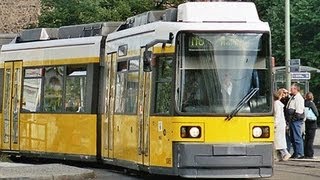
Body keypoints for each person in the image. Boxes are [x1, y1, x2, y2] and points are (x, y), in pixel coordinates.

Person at [286, 83, 305, 159]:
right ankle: (296, 152)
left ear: (296, 89)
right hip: (292, 120)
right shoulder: (293, 97)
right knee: (293, 137)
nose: (290, 90)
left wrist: (294, 118)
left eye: (292, 88)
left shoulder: (298, 98)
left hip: (295, 120)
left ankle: (300, 153)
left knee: (297, 136)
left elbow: (299, 111)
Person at [274, 89, 291, 161]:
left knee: (278, 140)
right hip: (281, 124)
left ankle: (285, 153)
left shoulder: (276, 104)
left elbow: (277, 115)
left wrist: (275, 124)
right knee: (278, 140)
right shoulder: (278, 103)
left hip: (278, 125)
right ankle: (278, 156)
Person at [304, 92, 319, 159]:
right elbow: (316, 113)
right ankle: (310, 154)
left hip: (307, 122)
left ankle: (306, 152)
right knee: (311, 139)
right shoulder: (311, 103)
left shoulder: (305, 103)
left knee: (307, 138)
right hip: (312, 123)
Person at [280, 88, 292, 152]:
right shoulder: (279, 100)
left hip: (286, 120)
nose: (285, 94)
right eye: (284, 93)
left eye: (286, 93)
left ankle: (287, 150)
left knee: (287, 136)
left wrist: (288, 94)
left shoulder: (288, 100)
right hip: (282, 119)